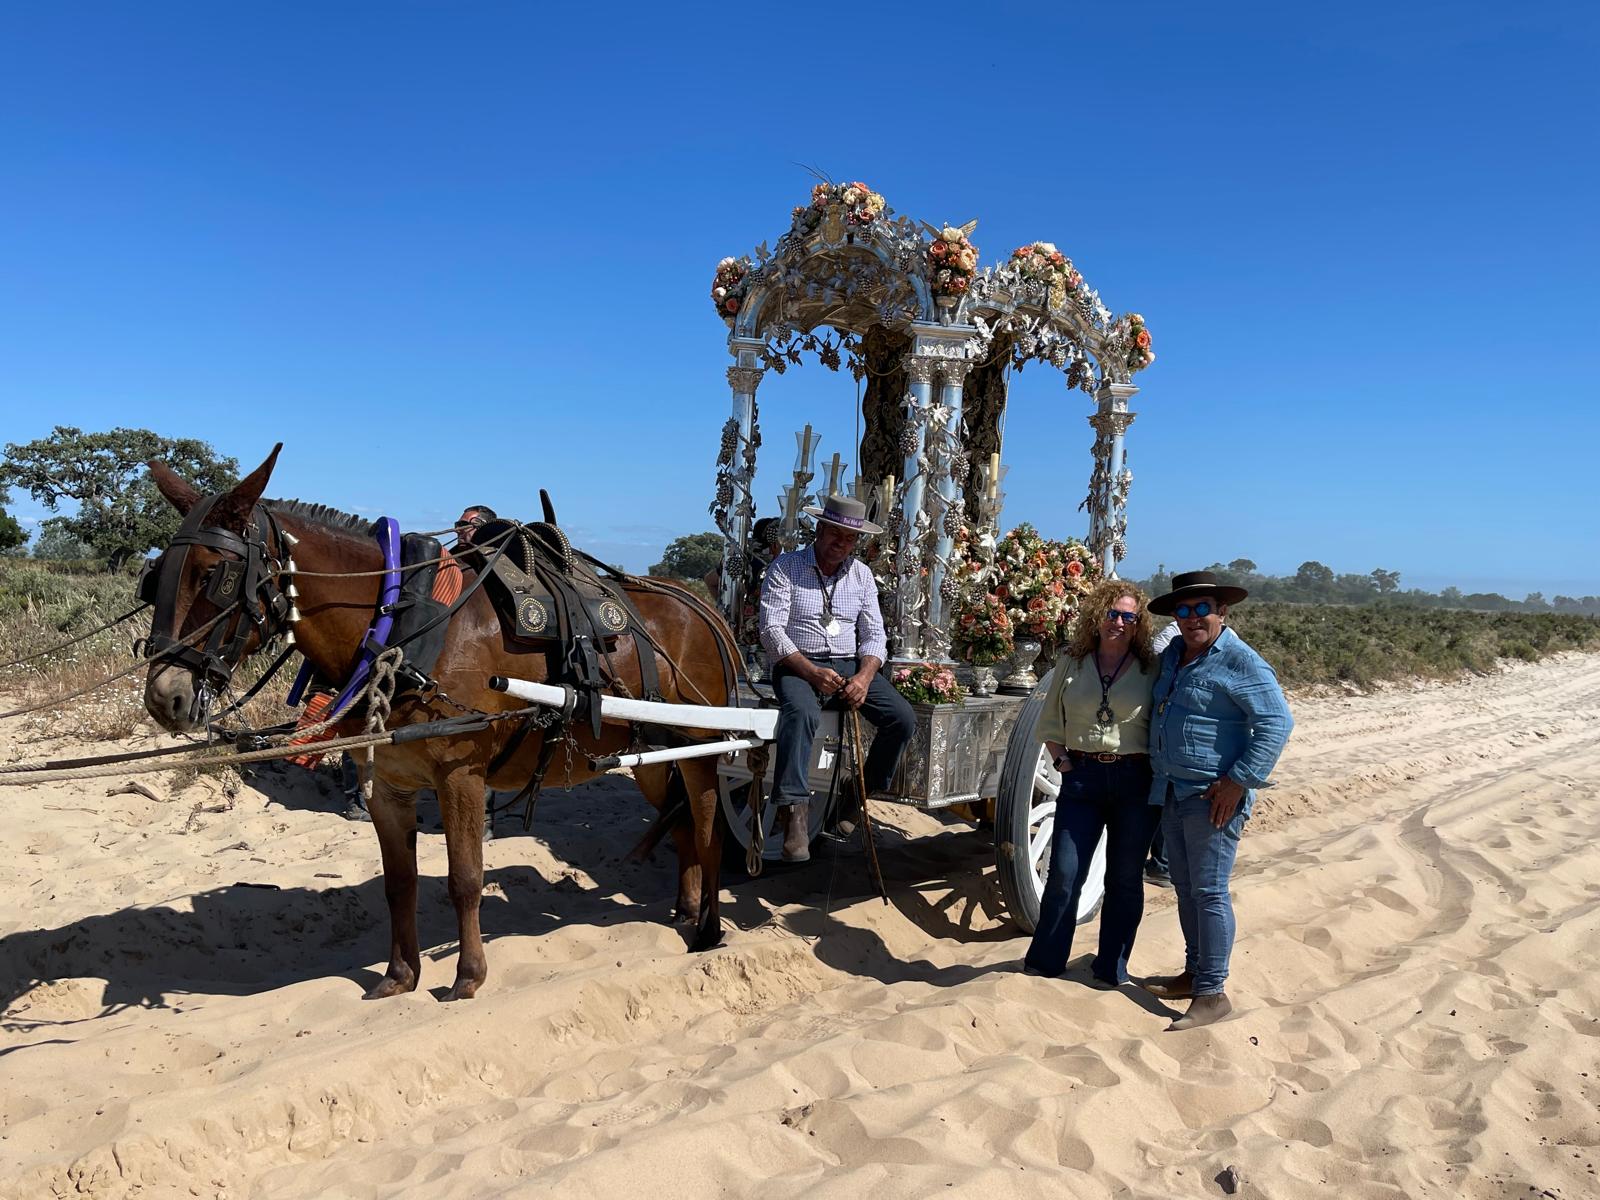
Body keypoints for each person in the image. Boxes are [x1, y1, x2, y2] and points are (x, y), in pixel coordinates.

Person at [1142, 570, 1293, 1030]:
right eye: (1183, 611)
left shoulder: (1242, 661)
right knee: (1185, 890)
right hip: (1170, 788)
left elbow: (1277, 723)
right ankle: (1194, 973)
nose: (1192, 619)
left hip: (1212, 797)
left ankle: (1212, 993)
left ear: (1221, 612)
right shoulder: (1175, 654)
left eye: (1201, 609)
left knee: (1208, 893)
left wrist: (1239, 781)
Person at [759, 494, 916, 862]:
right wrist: (810, 671)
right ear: (819, 529)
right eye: (835, 535)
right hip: (798, 663)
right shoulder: (786, 567)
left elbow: (875, 634)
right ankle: (794, 811)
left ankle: (857, 794)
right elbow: (771, 630)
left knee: (902, 719)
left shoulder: (861, 575)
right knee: (800, 713)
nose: (841, 544)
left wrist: (864, 676)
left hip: (849, 665)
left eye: (849, 539)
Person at [1023, 579, 1162, 986]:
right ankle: (1044, 963)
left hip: (1135, 780)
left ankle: (1110, 969)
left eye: (1127, 616)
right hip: (1081, 779)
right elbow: (1050, 719)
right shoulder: (1072, 661)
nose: (1117, 622)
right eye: (1111, 613)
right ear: (1097, 616)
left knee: (1123, 877)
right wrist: (1062, 760)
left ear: (1138, 624)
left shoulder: (1151, 668)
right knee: (1065, 873)